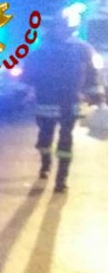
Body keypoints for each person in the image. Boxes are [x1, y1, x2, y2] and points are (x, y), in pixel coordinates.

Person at [26, 14, 104, 192]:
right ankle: (45, 164)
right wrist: (26, 91)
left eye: (62, 28)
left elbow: (92, 73)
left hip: (70, 101)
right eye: (57, 28)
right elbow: (29, 73)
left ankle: (61, 179)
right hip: (46, 101)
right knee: (45, 137)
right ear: (52, 29)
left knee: (66, 139)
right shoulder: (41, 50)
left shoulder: (82, 48)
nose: (59, 31)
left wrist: (97, 96)